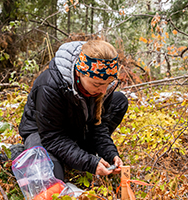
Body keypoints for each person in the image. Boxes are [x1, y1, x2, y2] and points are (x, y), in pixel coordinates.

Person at [17, 40, 128, 181]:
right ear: (79, 73)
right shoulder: (50, 85)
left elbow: (97, 127)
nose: (103, 90)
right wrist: (89, 163)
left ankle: (75, 155)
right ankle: (19, 154)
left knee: (120, 100)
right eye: (97, 84)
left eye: (107, 84)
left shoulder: (101, 87)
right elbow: (52, 138)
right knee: (50, 179)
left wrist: (110, 154)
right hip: (44, 134)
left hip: (73, 130)